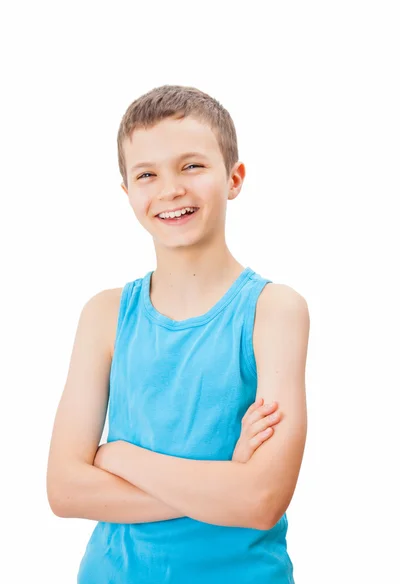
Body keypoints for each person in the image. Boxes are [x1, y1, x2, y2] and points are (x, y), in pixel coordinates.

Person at [46, 84, 310, 583]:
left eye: (192, 166)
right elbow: (64, 490)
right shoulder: (104, 315)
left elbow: (259, 501)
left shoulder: (274, 311)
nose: (170, 189)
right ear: (128, 193)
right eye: (147, 174)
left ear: (234, 178)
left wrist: (116, 456)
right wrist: (221, 485)